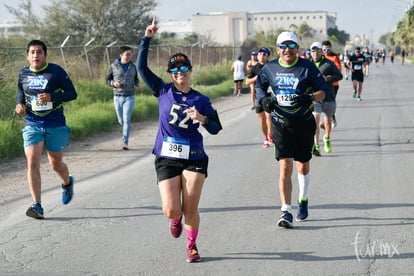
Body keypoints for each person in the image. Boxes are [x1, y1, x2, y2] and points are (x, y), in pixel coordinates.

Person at [137, 17, 223, 263]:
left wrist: (203, 119)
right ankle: (174, 220)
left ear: (190, 71)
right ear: (171, 74)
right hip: (167, 156)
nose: (179, 73)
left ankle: (192, 246)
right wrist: (147, 37)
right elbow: (142, 69)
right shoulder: (162, 90)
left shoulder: (201, 100)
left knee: (190, 209)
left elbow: (217, 128)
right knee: (172, 210)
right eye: (174, 70)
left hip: (194, 157)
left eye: (183, 68)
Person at [255, 32, 327, 228]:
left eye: (291, 45)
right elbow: (260, 86)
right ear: (277, 49)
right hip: (280, 124)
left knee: (302, 166)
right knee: (285, 166)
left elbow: (323, 91)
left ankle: (303, 200)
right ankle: (285, 210)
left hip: (303, 123)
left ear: (297, 48)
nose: (287, 50)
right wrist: (264, 100)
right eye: (283, 46)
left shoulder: (307, 67)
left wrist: (310, 98)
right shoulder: (269, 68)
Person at [15, 40, 78, 219]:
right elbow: (21, 94)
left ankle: (67, 182)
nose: (36, 55)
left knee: (55, 163)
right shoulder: (23, 74)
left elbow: (72, 93)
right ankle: (37, 205)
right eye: (33, 52)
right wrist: (19, 105)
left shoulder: (55, 71)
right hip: (33, 125)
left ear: (45, 55)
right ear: (27, 55)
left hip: (55, 124)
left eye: (39, 52)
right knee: (32, 163)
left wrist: (53, 96)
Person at [309, 42, 343, 156]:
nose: (315, 53)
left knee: (327, 120)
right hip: (314, 97)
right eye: (313, 51)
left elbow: (339, 76)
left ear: (322, 52)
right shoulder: (307, 65)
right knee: (315, 121)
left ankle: (327, 138)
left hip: (328, 96)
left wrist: (328, 78)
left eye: (318, 50)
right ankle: (316, 145)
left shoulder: (329, 64)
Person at [105, 46, 140, 150]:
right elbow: (107, 80)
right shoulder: (114, 66)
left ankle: (125, 142)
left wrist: (138, 84)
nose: (129, 56)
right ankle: (127, 126)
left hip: (130, 96)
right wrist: (113, 83)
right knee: (121, 120)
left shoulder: (133, 67)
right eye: (127, 54)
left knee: (126, 118)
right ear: (121, 55)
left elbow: (135, 79)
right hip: (117, 97)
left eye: (130, 54)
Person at [245, 47, 273, 148]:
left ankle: (270, 135)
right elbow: (247, 81)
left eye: (264, 54)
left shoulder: (272, 66)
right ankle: (266, 138)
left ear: (267, 56)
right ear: (257, 56)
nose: (262, 56)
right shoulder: (255, 68)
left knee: (268, 114)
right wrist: (257, 77)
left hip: (270, 94)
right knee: (261, 118)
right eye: (260, 54)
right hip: (259, 95)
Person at [321, 40, 341, 128]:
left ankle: (331, 118)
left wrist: (329, 77)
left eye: (327, 49)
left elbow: (338, 70)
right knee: (320, 103)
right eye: (324, 49)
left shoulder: (334, 57)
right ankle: (325, 121)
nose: (326, 51)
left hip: (334, 85)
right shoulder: (319, 58)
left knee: (330, 103)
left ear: (330, 48)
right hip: (322, 85)